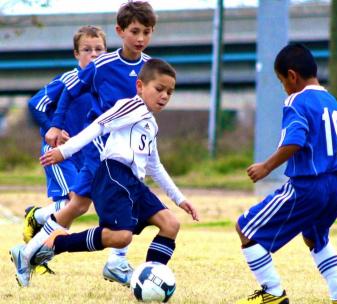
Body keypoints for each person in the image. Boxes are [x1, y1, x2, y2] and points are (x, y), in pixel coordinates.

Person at [12, 58, 199, 287]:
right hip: (113, 176)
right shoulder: (130, 105)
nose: (164, 96)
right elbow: (98, 125)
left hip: (134, 182)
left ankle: (151, 281)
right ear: (139, 86)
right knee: (121, 236)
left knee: (171, 225)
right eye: (159, 89)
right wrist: (64, 151)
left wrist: (180, 199)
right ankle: (57, 245)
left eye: (169, 92)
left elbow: (154, 166)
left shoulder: (151, 122)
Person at [18, 0, 157, 287]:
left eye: (147, 32)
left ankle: (32, 250)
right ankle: (35, 248)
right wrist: (54, 126)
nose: (141, 38)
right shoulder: (99, 67)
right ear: (121, 32)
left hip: (125, 152)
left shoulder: (148, 67)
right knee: (79, 204)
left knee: (79, 206)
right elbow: (58, 97)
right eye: (135, 31)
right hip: (93, 150)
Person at [235, 43, 337, 304]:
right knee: (316, 237)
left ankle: (272, 293)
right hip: (336, 185)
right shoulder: (332, 102)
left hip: (307, 186)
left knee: (245, 227)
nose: (283, 87)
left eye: (282, 81)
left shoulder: (297, 100)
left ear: (292, 76)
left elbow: (295, 139)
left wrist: (266, 167)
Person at [25, 25, 107, 276]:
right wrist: (52, 128)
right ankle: (36, 220)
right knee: (71, 203)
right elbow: (35, 103)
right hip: (59, 153)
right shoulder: (68, 80)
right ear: (76, 54)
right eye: (87, 50)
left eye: (99, 49)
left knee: (78, 205)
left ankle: (37, 238)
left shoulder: (105, 84)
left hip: (85, 155)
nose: (93, 55)